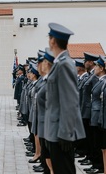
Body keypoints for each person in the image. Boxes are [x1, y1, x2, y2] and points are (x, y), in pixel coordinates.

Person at [44, 23, 85, 174]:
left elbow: (70, 101)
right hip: (54, 131)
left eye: (49, 37)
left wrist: (66, 134)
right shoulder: (59, 63)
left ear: (53, 40)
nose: (49, 41)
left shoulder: (64, 64)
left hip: (61, 134)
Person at [36, 48, 55, 174]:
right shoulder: (46, 80)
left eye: (40, 63)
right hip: (45, 124)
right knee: (47, 155)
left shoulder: (51, 81)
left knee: (52, 159)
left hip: (51, 127)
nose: (37, 66)